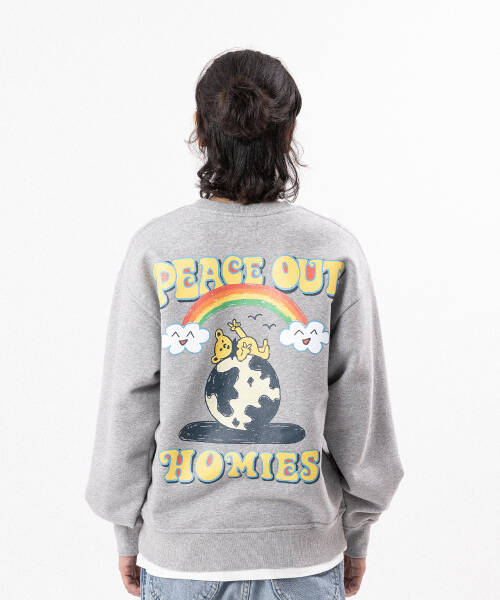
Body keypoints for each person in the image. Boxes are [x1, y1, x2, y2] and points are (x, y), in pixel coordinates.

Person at [86, 49, 403, 600]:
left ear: (199, 128)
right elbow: (360, 402)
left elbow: (128, 401)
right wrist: (356, 533)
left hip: (181, 554)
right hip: (303, 553)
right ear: (289, 132)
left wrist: (126, 529)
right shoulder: (334, 249)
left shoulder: (156, 248)